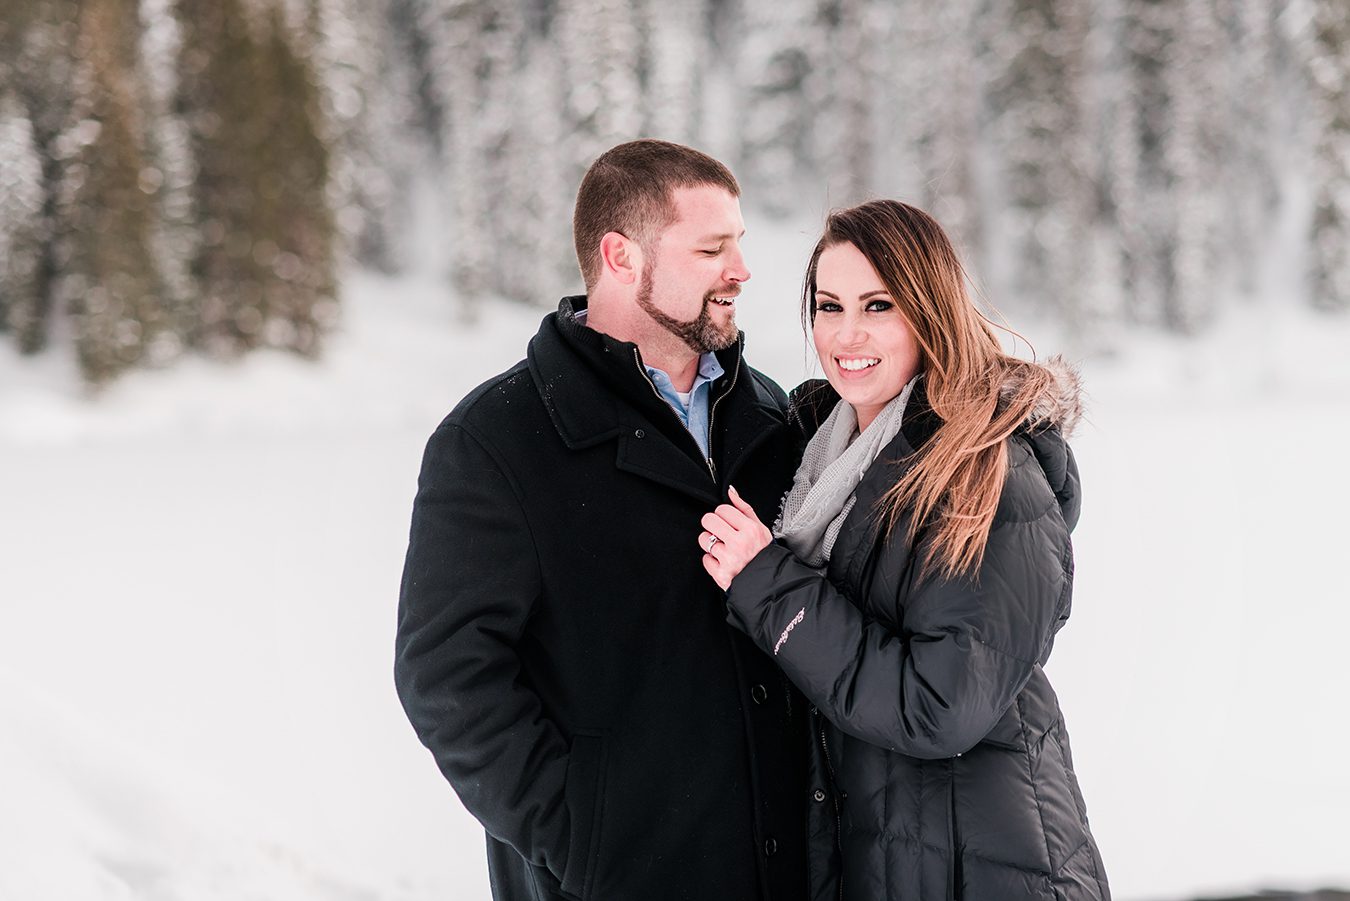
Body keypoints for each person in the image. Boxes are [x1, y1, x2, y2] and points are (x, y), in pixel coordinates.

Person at [395, 140, 807, 901]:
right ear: (621, 256)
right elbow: (446, 675)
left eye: (739, 245)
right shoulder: (495, 441)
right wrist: (582, 836)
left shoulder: (771, 416)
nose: (740, 270)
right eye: (712, 247)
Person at [699, 200, 1110, 901]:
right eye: (829, 306)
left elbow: (939, 704)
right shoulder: (825, 456)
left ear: (928, 310)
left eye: (878, 304)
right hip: (890, 853)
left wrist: (770, 586)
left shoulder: (989, 473)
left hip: (984, 869)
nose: (846, 333)